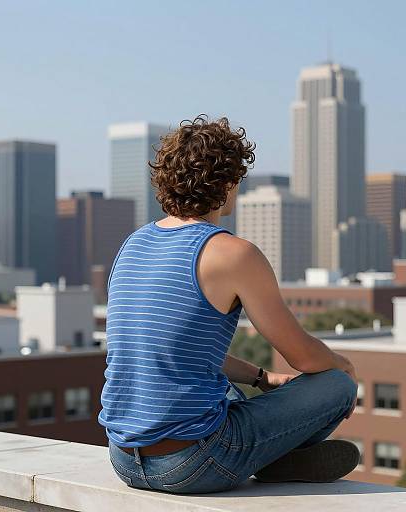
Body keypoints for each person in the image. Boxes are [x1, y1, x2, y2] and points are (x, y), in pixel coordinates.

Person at [99, 114, 359, 494]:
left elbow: (175, 349)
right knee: (335, 384)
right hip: (193, 463)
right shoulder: (234, 254)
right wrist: (345, 366)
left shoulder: (133, 245)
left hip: (123, 459)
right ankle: (269, 457)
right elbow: (305, 359)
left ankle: (270, 457)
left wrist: (261, 378)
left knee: (224, 389)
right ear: (227, 183)